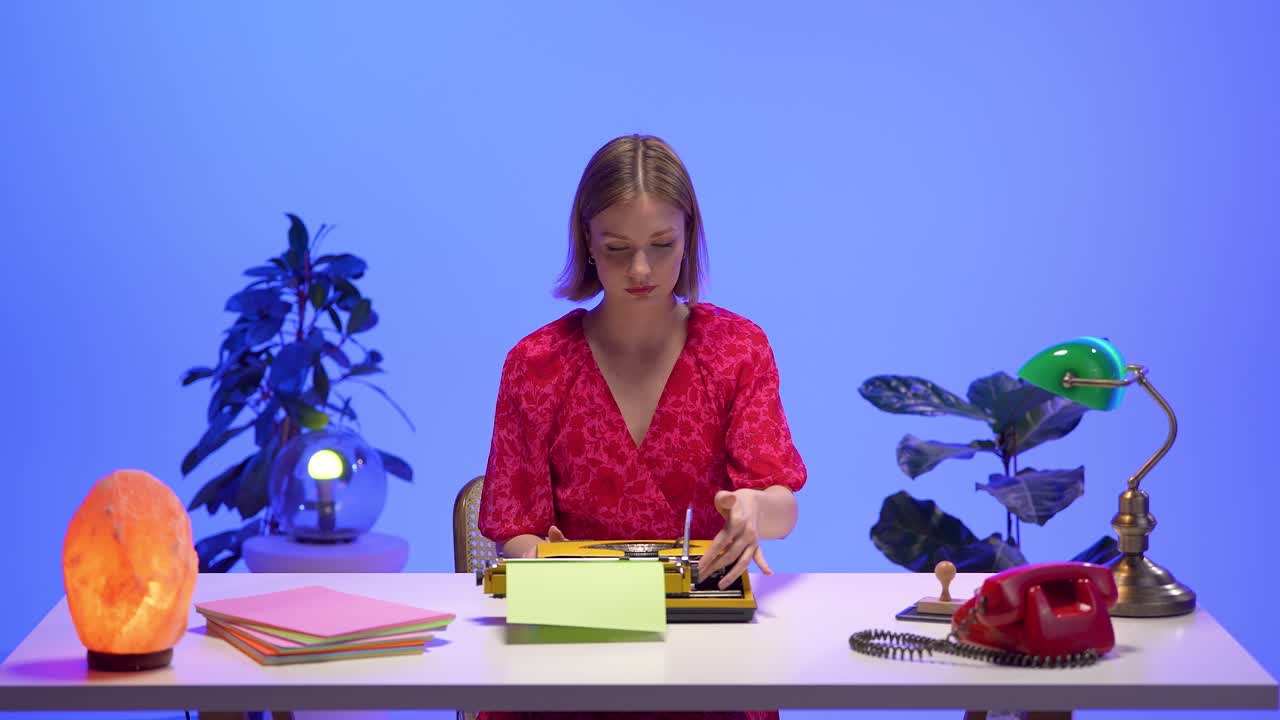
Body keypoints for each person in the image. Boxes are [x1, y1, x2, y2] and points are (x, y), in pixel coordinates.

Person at [477, 134, 807, 720]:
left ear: (689, 238)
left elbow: (781, 504)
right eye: (616, 247)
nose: (639, 269)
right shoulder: (536, 365)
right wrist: (549, 565)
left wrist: (754, 510)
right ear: (586, 242)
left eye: (661, 245)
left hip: (709, 649)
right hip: (571, 646)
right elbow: (515, 533)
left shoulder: (737, 349)